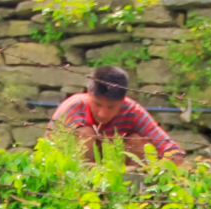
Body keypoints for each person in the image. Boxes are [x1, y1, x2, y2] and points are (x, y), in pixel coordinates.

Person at [49, 66, 185, 163]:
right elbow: (49, 149)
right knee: (85, 133)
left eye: (111, 107)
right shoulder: (72, 108)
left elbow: (172, 150)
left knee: (139, 142)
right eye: (97, 104)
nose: (103, 114)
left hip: (118, 173)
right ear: (89, 93)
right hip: (74, 171)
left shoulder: (132, 111)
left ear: (123, 101)